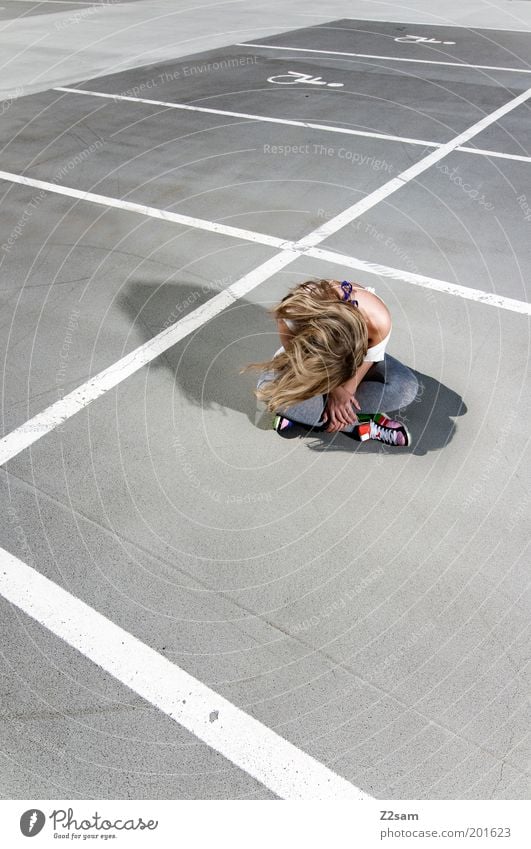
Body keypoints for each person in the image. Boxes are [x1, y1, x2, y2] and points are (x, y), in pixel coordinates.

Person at [242, 278, 419, 446]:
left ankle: (310, 416)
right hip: (307, 367)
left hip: (357, 364)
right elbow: (297, 362)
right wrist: (332, 389)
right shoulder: (292, 312)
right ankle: (359, 425)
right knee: (269, 392)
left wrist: (344, 396)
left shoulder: (377, 319)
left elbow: (367, 362)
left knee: (406, 388)